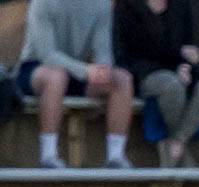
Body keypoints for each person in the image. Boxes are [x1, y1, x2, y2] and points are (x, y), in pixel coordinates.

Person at [17, 0, 134, 169]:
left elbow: (103, 51)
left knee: (122, 79)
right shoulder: (42, 3)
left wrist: (102, 71)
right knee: (56, 77)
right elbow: (46, 54)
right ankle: (48, 156)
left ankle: (116, 157)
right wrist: (86, 71)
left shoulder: (101, 5)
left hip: (79, 70)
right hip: (36, 68)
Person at [115, 0, 199, 168]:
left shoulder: (180, 5)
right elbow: (129, 54)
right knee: (171, 85)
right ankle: (184, 161)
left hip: (178, 68)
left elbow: (188, 45)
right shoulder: (128, 7)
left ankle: (178, 142)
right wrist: (177, 61)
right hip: (144, 72)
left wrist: (186, 64)